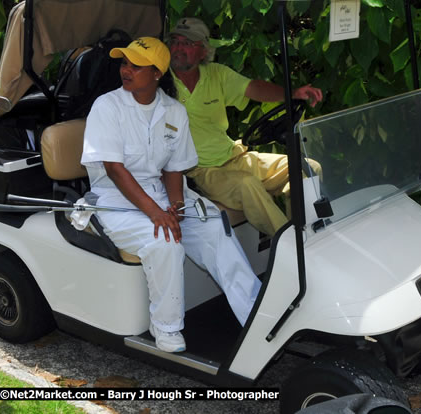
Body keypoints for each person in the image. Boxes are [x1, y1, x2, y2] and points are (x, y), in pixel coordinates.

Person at [81, 36, 261, 353]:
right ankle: (166, 329)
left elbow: (174, 167)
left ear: (157, 74)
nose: (127, 69)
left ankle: (257, 316)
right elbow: (114, 169)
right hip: (115, 198)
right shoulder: (107, 107)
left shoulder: (173, 111)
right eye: (125, 63)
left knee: (214, 227)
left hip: (162, 192)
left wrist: (176, 207)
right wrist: (157, 213)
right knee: (164, 242)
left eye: (137, 65)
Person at [166, 17, 323, 238]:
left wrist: (292, 93)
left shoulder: (216, 73)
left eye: (188, 43)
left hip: (234, 156)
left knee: (308, 167)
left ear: (203, 51)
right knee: (248, 185)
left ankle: (309, 234)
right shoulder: (161, 80)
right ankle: (291, 245)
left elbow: (254, 88)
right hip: (202, 170)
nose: (179, 48)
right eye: (175, 41)